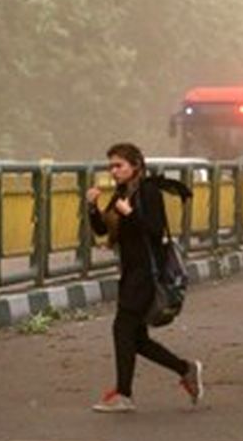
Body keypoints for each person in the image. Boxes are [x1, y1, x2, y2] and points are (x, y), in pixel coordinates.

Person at [85, 142, 203, 413]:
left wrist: (132, 214)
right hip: (131, 272)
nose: (114, 171)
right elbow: (103, 229)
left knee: (122, 328)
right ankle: (185, 368)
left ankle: (124, 394)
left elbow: (154, 230)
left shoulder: (148, 191)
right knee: (137, 339)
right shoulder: (121, 193)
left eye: (119, 165)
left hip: (147, 274)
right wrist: (92, 207)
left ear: (135, 166)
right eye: (111, 166)